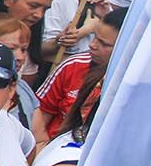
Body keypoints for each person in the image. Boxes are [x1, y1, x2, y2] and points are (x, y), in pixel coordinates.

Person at [34, 8, 125, 144]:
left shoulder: (133, 85)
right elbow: (39, 112)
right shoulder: (73, 65)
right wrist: (41, 148)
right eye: (95, 37)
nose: (92, 45)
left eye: (104, 44)